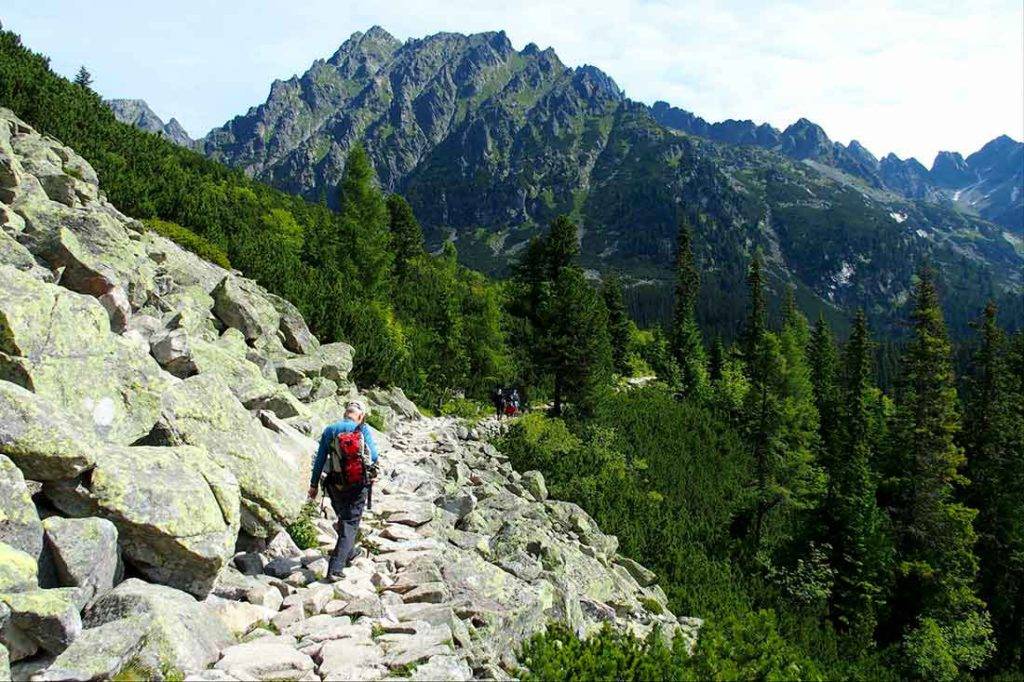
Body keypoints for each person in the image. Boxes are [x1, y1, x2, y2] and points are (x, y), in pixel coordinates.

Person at [308, 400, 379, 579]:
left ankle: (349, 551)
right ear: (360, 416)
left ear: (345, 413)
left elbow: (319, 460)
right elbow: (375, 455)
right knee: (350, 522)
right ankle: (335, 568)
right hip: (357, 484)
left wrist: (314, 485)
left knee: (344, 517)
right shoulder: (361, 429)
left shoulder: (330, 430)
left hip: (335, 484)